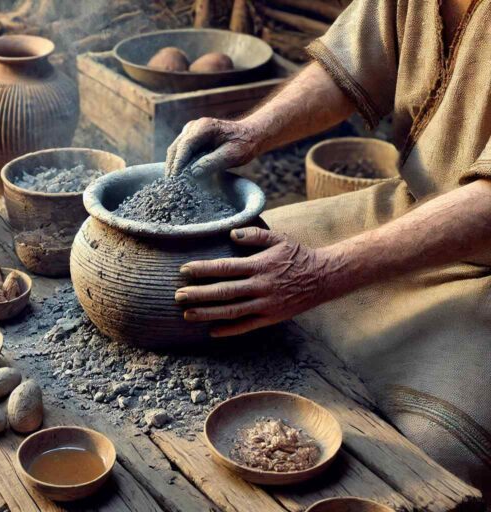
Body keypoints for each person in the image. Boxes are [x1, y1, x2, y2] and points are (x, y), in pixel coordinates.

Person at [166, 0, 490, 494]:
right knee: (225, 272)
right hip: (407, 208)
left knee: (421, 458)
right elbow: (348, 65)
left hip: (483, 269)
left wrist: (320, 273)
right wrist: (251, 130)